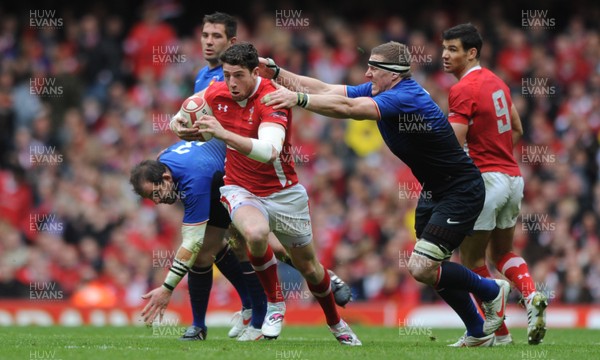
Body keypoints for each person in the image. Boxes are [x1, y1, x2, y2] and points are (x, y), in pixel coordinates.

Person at [260, 41, 510, 347]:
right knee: (430, 269)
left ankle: (490, 291)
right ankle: (477, 331)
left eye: (373, 68)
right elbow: (327, 89)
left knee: (421, 266)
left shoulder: (405, 97)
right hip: (435, 189)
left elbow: (350, 109)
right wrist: (278, 72)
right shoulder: (382, 90)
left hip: (460, 188)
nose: (366, 73)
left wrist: (297, 99)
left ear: (392, 74)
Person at [179, 42, 361, 345]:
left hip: (284, 194)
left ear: (255, 72)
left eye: (239, 75)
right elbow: (185, 113)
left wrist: (223, 134)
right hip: (239, 188)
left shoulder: (273, 98)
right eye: (226, 75)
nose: (232, 82)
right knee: (255, 233)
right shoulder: (217, 91)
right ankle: (275, 304)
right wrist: (180, 127)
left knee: (310, 269)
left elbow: (268, 151)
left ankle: (336, 322)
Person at [442, 23, 547, 345]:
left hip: (486, 180)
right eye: (444, 48)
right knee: (502, 252)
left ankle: (498, 335)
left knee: (470, 262)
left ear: (471, 53)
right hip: (513, 178)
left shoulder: (462, 89)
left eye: (453, 49)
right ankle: (531, 296)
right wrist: (496, 155)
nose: (444, 55)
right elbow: (517, 128)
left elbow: (451, 145)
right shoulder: (498, 83)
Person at [130, 139, 267, 341]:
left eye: (156, 193)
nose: (157, 201)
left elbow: (191, 243)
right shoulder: (162, 162)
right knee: (204, 254)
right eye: (151, 198)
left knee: (254, 246)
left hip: (244, 179)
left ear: (166, 177)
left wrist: (167, 288)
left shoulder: (192, 181)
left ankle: (259, 319)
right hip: (218, 182)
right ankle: (200, 326)